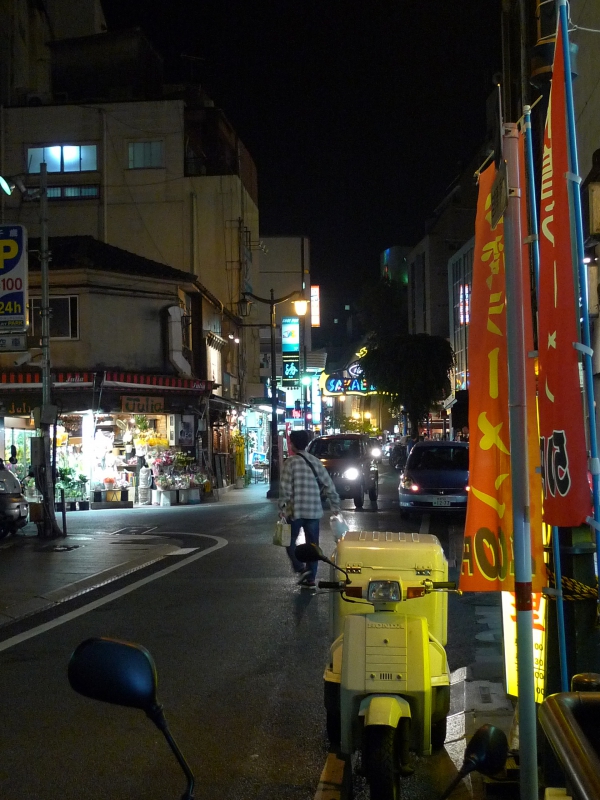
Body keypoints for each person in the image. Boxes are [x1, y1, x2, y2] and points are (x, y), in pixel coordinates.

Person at [278, 429, 341, 589]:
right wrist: (335, 505)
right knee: (313, 545)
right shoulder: (315, 461)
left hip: (296, 510)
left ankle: (301, 569)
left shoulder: (290, 462)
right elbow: (329, 484)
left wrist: (282, 506)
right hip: (313, 511)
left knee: (289, 540)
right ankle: (311, 578)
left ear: (292, 444)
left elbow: (285, 488)